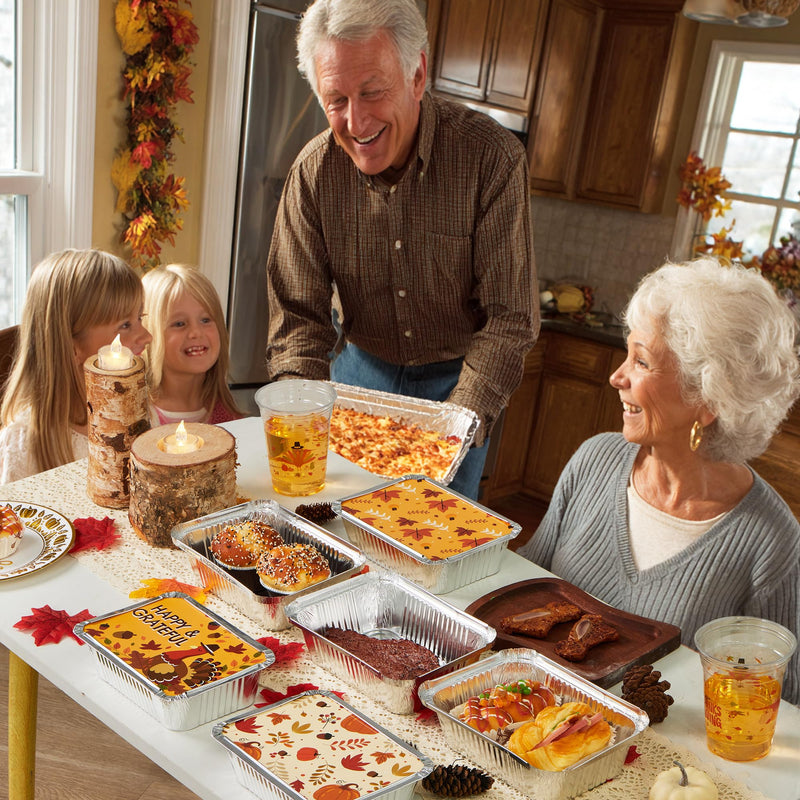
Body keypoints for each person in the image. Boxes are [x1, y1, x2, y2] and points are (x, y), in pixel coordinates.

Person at [265, 0, 539, 499]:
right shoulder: (313, 174)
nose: (355, 121)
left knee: (434, 536)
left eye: (372, 92)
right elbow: (298, 318)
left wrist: (457, 422)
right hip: (356, 375)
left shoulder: (491, 159)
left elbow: (511, 317)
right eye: (336, 100)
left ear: (417, 75)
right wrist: (300, 413)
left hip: (460, 383)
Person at [519, 258, 800, 704]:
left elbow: (779, 703)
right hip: (521, 713)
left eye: (642, 361)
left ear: (707, 398)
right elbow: (523, 588)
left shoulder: (770, 541)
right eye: (627, 353)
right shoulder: (594, 461)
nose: (618, 376)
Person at [0, 248, 152, 484]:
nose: (146, 336)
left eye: (140, 319)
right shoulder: (24, 444)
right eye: (125, 325)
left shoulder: (137, 414)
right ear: (71, 348)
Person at [142, 264, 243, 427]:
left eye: (205, 320)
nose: (196, 332)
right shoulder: (136, 416)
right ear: (149, 334)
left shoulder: (229, 416)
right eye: (179, 323)